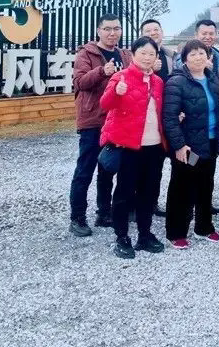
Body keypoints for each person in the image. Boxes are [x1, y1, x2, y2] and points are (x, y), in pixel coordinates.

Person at [98, 37, 167, 259]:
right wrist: (116, 92)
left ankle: (144, 234)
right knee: (124, 193)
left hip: (153, 147)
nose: (147, 57)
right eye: (143, 53)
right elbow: (104, 104)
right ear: (133, 54)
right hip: (129, 147)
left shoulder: (158, 82)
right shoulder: (121, 77)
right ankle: (122, 237)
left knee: (149, 193)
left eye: (151, 54)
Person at [68, 14, 132, 237]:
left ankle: (104, 213)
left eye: (116, 28)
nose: (112, 33)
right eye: (107, 29)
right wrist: (101, 71)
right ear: (98, 31)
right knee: (85, 170)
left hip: (116, 121)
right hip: (93, 120)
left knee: (108, 169)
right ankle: (77, 217)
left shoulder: (125, 55)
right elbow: (79, 82)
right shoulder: (86, 53)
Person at [162, 39, 219, 248]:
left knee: (206, 185)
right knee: (182, 186)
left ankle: (204, 227)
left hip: (210, 142)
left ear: (208, 57)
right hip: (189, 147)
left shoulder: (212, 79)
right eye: (193, 54)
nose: (198, 57)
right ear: (184, 59)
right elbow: (169, 118)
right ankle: (176, 232)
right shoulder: (177, 82)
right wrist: (179, 145)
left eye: (202, 53)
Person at [140, 18, 176, 218]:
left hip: (167, 117)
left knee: (158, 165)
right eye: (148, 30)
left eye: (156, 29)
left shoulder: (171, 56)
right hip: (145, 121)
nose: (153, 33)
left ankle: (152, 203)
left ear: (162, 32)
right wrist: (149, 69)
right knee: (141, 165)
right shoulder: (137, 56)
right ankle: (137, 205)